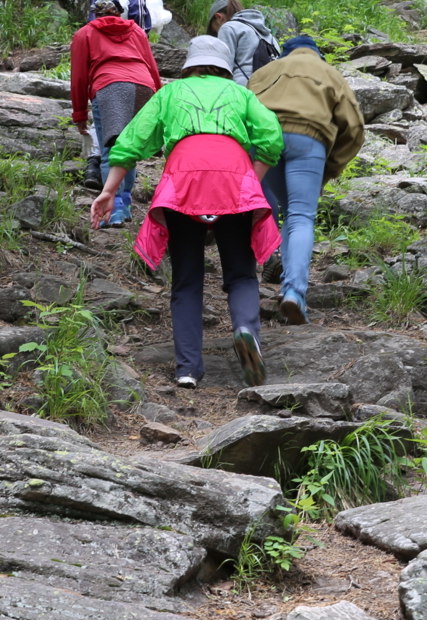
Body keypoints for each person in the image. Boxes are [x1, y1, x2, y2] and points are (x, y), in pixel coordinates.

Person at [92, 36, 284, 389]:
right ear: (225, 67)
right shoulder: (240, 94)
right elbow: (271, 136)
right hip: (234, 175)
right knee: (241, 273)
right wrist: (248, 183)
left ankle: (187, 369)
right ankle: (245, 330)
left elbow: (132, 139)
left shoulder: (169, 93)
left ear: (189, 65)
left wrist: (108, 190)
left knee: (186, 279)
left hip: (183, 179)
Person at [247, 35, 365, 323]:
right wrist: (330, 167)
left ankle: (258, 283)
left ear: (285, 53)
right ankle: (294, 292)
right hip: (309, 141)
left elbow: (243, 109)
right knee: (300, 216)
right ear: (317, 54)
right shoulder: (329, 73)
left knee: (280, 211)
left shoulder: (265, 72)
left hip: (264, 141)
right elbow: (355, 128)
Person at [70, 0, 161, 226]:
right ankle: (126, 202)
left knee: (111, 149)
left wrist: (79, 114)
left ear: (95, 12)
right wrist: (161, 103)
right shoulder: (137, 31)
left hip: (110, 87)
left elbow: (79, 77)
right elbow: (152, 67)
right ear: (119, 12)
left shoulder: (85, 33)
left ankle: (115, 208)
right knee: (129, 148)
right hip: (143, 87)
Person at [207, 0, 281, 85]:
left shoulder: (228, 27)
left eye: (215, 30)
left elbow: (223, 68)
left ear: (219, 17)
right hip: (269, 89)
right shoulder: (269, 36)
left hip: (241, 90)